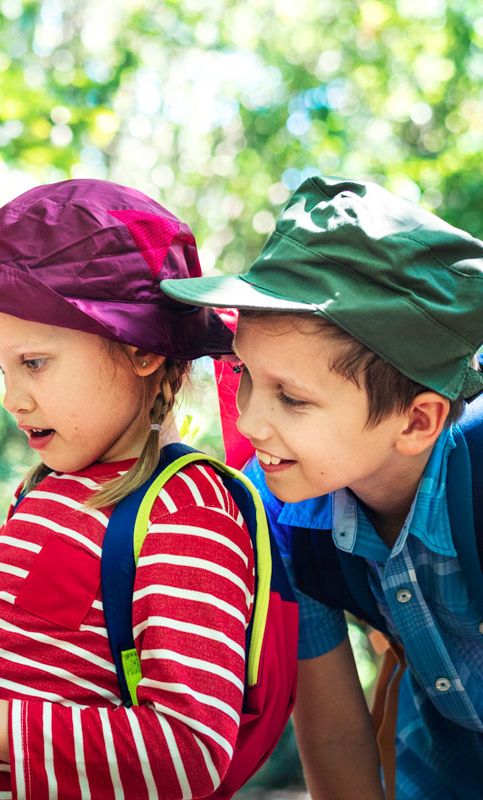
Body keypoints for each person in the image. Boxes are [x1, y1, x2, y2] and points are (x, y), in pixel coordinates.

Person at [0, 180, 263, 799]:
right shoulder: (40, 496)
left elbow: (190, 752)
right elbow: (20, 670)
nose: (13, 398)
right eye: (0, 368)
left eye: (34, 363)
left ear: (140, 348)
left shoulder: (185, 511)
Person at [161, 175, 483, 800]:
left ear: (417, 422)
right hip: (445, 767)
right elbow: (335, 737)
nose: (250, 421)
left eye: (293, 398)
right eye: (245, 375)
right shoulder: (280, 514)